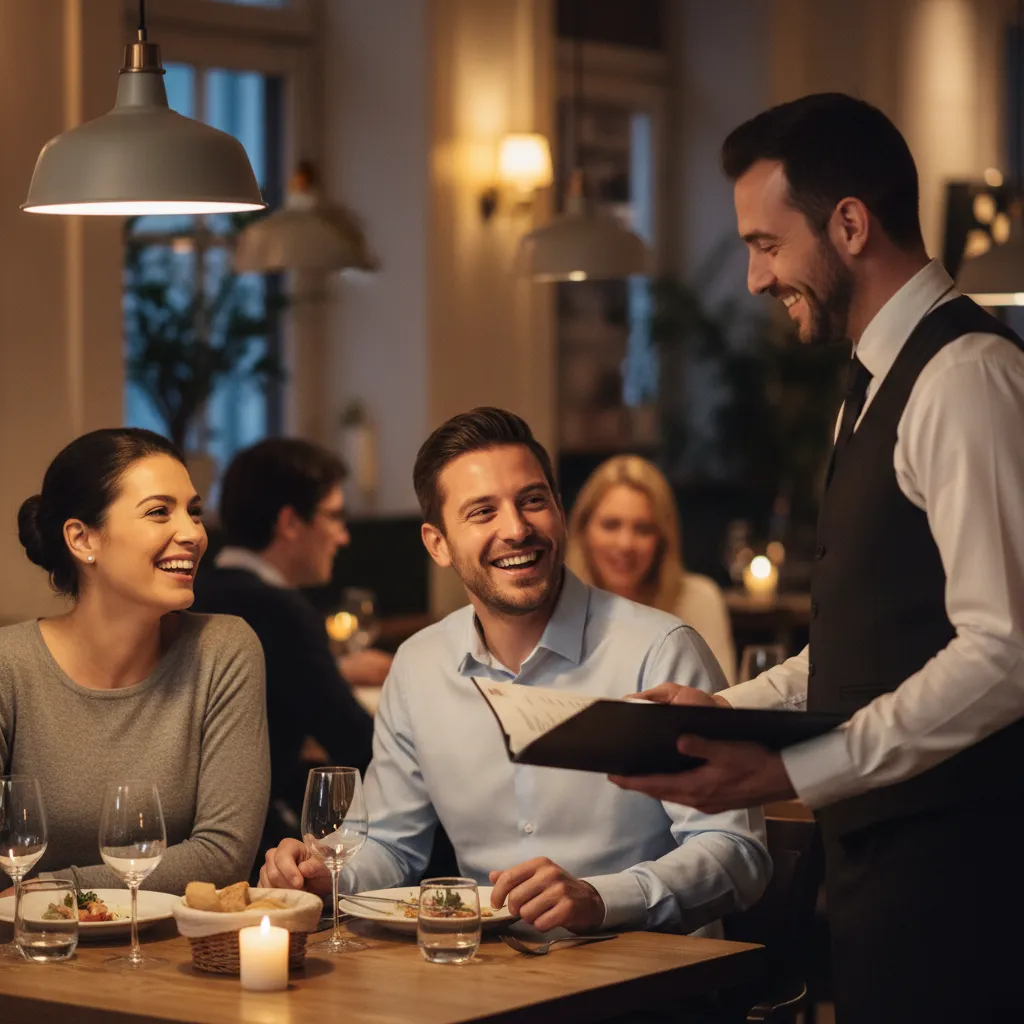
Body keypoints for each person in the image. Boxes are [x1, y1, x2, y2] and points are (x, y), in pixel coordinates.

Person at [612, 94, 1024, 1022]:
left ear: (849, 224)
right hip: (887, 875)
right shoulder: (871, 383)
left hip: (971, 885)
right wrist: (732, 711)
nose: (755, 278)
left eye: (766, 244)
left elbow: (1006, 651)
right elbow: (871, 643)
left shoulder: (965, 378)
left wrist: (798, 770)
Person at [261, 408, 769, 936]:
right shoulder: (418, 667)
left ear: (560, 512)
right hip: (484, 968)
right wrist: (326, 876)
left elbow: (737, 853)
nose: (517, 529)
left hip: (652, 973)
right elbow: (390, 845)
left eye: (532, 501)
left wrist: (602, 898)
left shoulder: (660, 651)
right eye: (483, 512)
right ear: (438, 544)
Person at [0, 428, 269, 895]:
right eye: (159, 512)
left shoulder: (223, 650)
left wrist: (59, 891)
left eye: (194, 512)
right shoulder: (9, 665)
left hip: (170, 940)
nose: (193, 533)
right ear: (82, 538)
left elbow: (223, 856)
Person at [191, 438, 381, 853]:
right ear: (291, 522)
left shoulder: (198, 591)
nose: (344, 537)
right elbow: (357, 743)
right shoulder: (278, 609)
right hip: (250, 841)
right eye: (334, 516)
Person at [566, 455, 736, 684]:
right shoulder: (561, 604)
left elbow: (720, 698)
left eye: (643, 529)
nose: (626, 544)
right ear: (583, 531)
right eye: (611, 525)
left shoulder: (698, 599)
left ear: (663, 539)